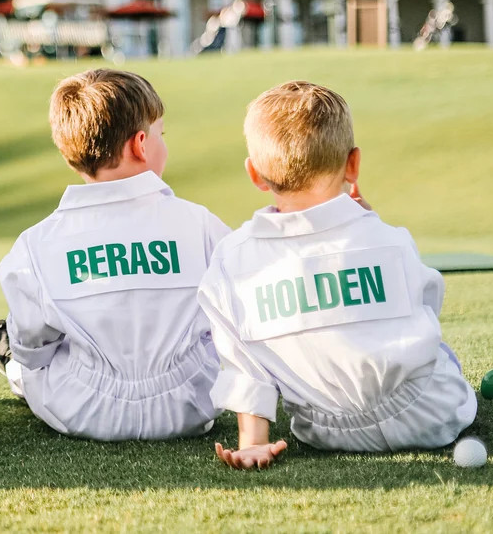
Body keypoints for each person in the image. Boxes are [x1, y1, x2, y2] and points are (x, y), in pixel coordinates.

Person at [199, 81, 476, 469]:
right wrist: (368, 221)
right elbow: (427, 307)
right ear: (353, 164)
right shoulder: (391, 239)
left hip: (325, 431)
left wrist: (252, 442)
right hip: (430, 416)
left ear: (255, 174)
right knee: (438, 348)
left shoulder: (232, 258)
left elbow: (243, 365)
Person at [0, 68, 229, 440]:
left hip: (82, 411)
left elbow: (33, 349)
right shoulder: (201, 225)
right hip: (191, 405)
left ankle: (10, 370)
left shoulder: (36, 243)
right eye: (162, 135)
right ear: (141, 144)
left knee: (27, 360)